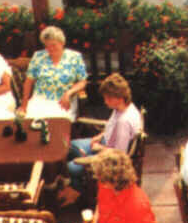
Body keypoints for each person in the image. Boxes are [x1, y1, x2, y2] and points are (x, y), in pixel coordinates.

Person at [59, 73, 142, 205]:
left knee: (68, 168)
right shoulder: (124, 107)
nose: (105, 101)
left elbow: (119, 155)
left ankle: (79, 191)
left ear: (120, 97)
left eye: (108, 98)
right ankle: (76, 185)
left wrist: (99, 148)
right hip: (105, 143)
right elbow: (111, 126)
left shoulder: (124, 122)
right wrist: (99, 136)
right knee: (68, 146)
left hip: (108, 157)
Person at [20, 26, 88, 121]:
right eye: (47, 46)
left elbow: (82, 81)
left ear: (62, 43)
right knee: (32, 121)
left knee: (58, 122)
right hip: (40, 100)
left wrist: (69, 93)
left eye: (53, 45)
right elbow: (28, 81)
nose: (50, 49)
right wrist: (24, 105)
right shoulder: (38, 56)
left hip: (63, 101)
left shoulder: (75, 57)